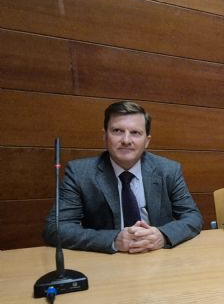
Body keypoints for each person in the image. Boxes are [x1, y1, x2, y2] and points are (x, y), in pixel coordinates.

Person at [43, 101, 203, 254]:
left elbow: (193, 217)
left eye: (135, 133)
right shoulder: (80, 173)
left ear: (147, 141)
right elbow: (55, 228)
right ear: (105, 137)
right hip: (106, 263)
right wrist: (113, 239)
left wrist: (162, 235)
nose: (126, 140)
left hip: (157, 257)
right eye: (117, 131)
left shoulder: (168, 170)